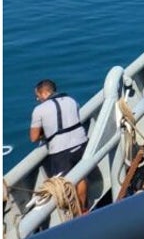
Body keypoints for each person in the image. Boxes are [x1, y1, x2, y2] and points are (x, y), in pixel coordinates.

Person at [30, 79, 88, 208]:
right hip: (81, 142)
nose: (37, 99)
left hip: (60, 150)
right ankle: (83, 208)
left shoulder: (39, 109)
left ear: (44, 93)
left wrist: (46, 132)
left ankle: (73, 212)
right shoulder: (71, 100)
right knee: (80, 177)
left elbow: (33, 137)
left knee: (65, 184)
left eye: (37, 96)